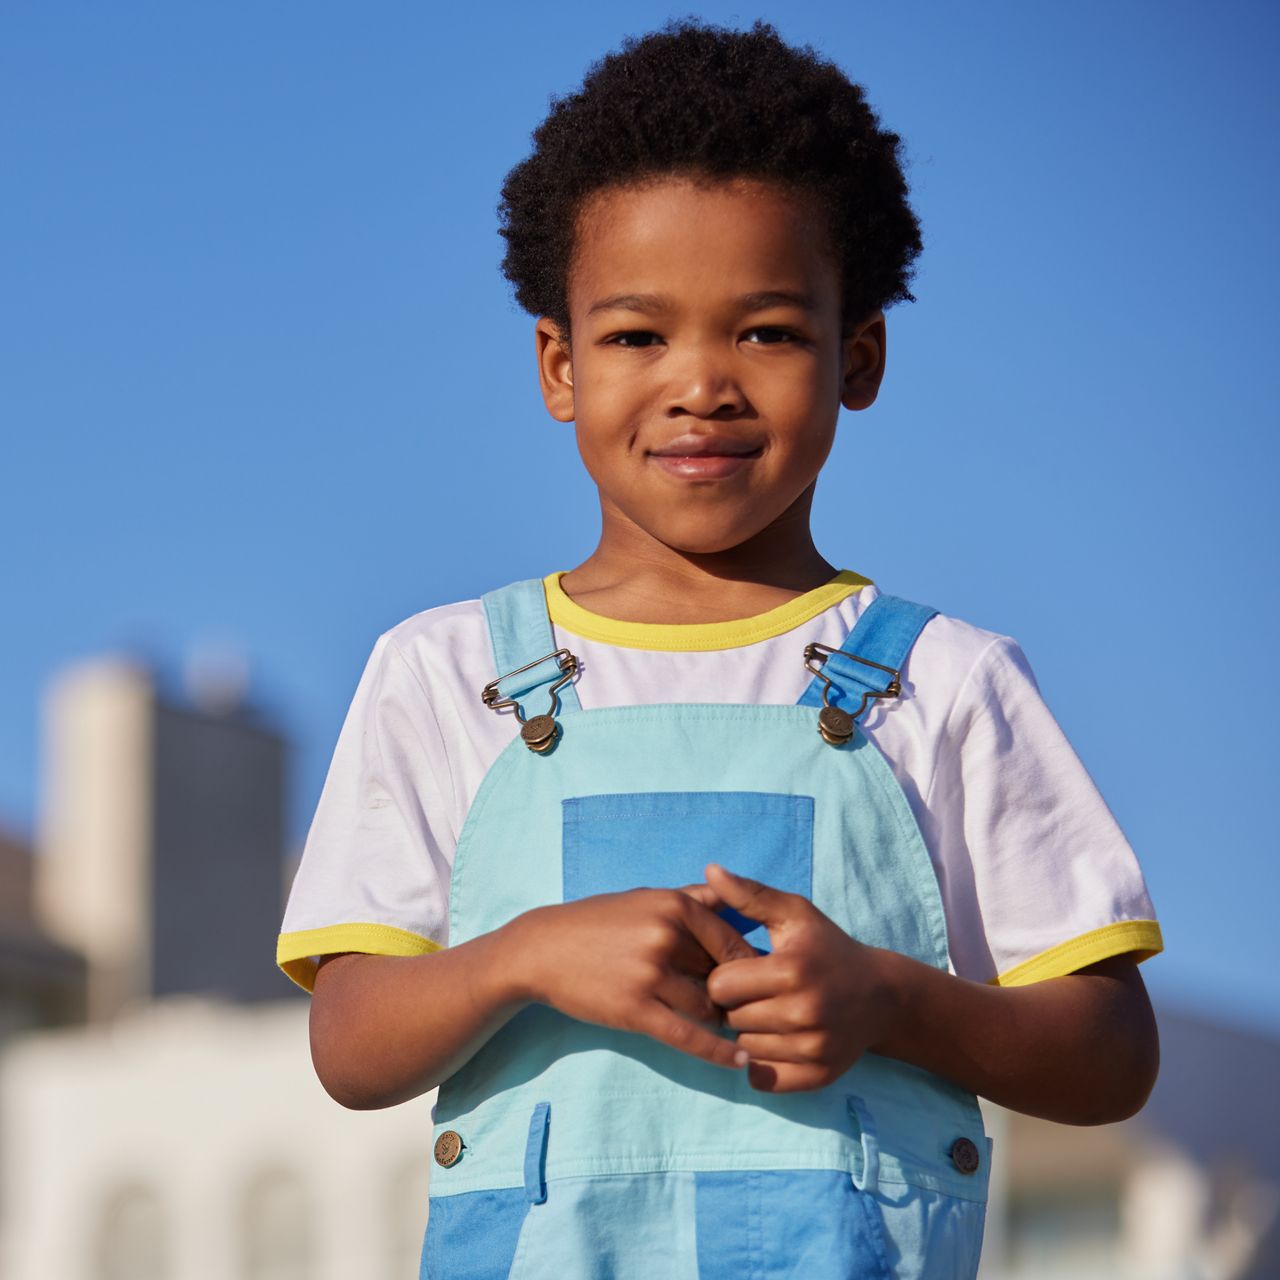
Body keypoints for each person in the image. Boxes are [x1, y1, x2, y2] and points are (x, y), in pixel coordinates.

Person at [277, 20, 1162, 1279]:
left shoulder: (947, 681)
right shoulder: (442, 672)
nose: (701, 385)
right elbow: (350, 1043)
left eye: (766, 331)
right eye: (639, 336)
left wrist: (889, 998)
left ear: (856, 357)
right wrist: (527, 954)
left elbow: (1111, 1055)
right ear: (558, 364)